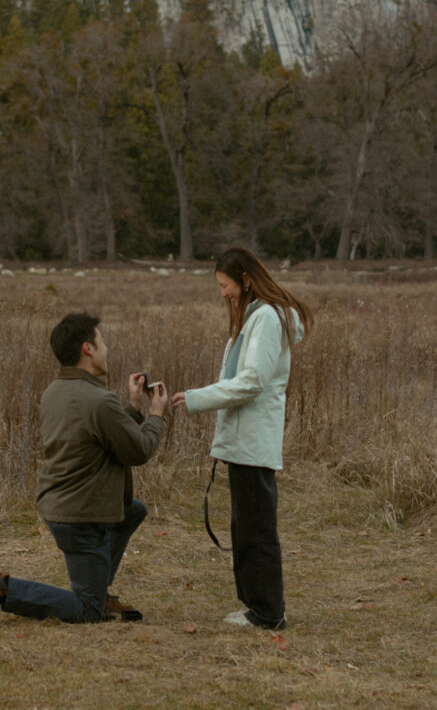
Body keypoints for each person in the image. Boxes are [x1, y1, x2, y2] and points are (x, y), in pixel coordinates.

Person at [0, 312, 168, 625]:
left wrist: (132, 408)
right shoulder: (98, 400)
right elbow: (138, 450)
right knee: (87, 610)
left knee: (132, 511)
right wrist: (156, 415)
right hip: (81, 517)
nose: (106, 349)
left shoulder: (56, 392)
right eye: (102, 342)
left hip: (62, 506)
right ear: (87, 349)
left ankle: (97, 587)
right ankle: (2, 588)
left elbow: (105, 438)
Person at [171, 247, 312, 630]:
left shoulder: (265, 318)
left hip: (252, 441)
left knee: (256, 531)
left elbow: (252, 382)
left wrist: (199, 398)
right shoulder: (256, 318)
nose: (223, 293)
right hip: (244, 441)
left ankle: (268, 613)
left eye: (225, 284)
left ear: (246, 279)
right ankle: (257, 607)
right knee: (245, 528)